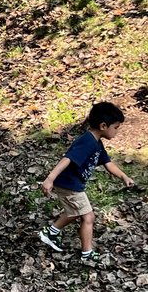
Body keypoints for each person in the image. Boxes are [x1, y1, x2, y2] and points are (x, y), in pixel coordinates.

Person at [39, 102, 133, 263]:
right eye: (116, 128)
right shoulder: (87, 141)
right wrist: (50, 178)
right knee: (88, 217)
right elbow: (67, 158)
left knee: (73, 212)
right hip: (70, 185)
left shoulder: (96, 143)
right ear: (104, 125)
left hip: (72, 184)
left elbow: (108, 163)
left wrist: (124, 177)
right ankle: (87, 253)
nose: (117, 132)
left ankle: (51, 232)